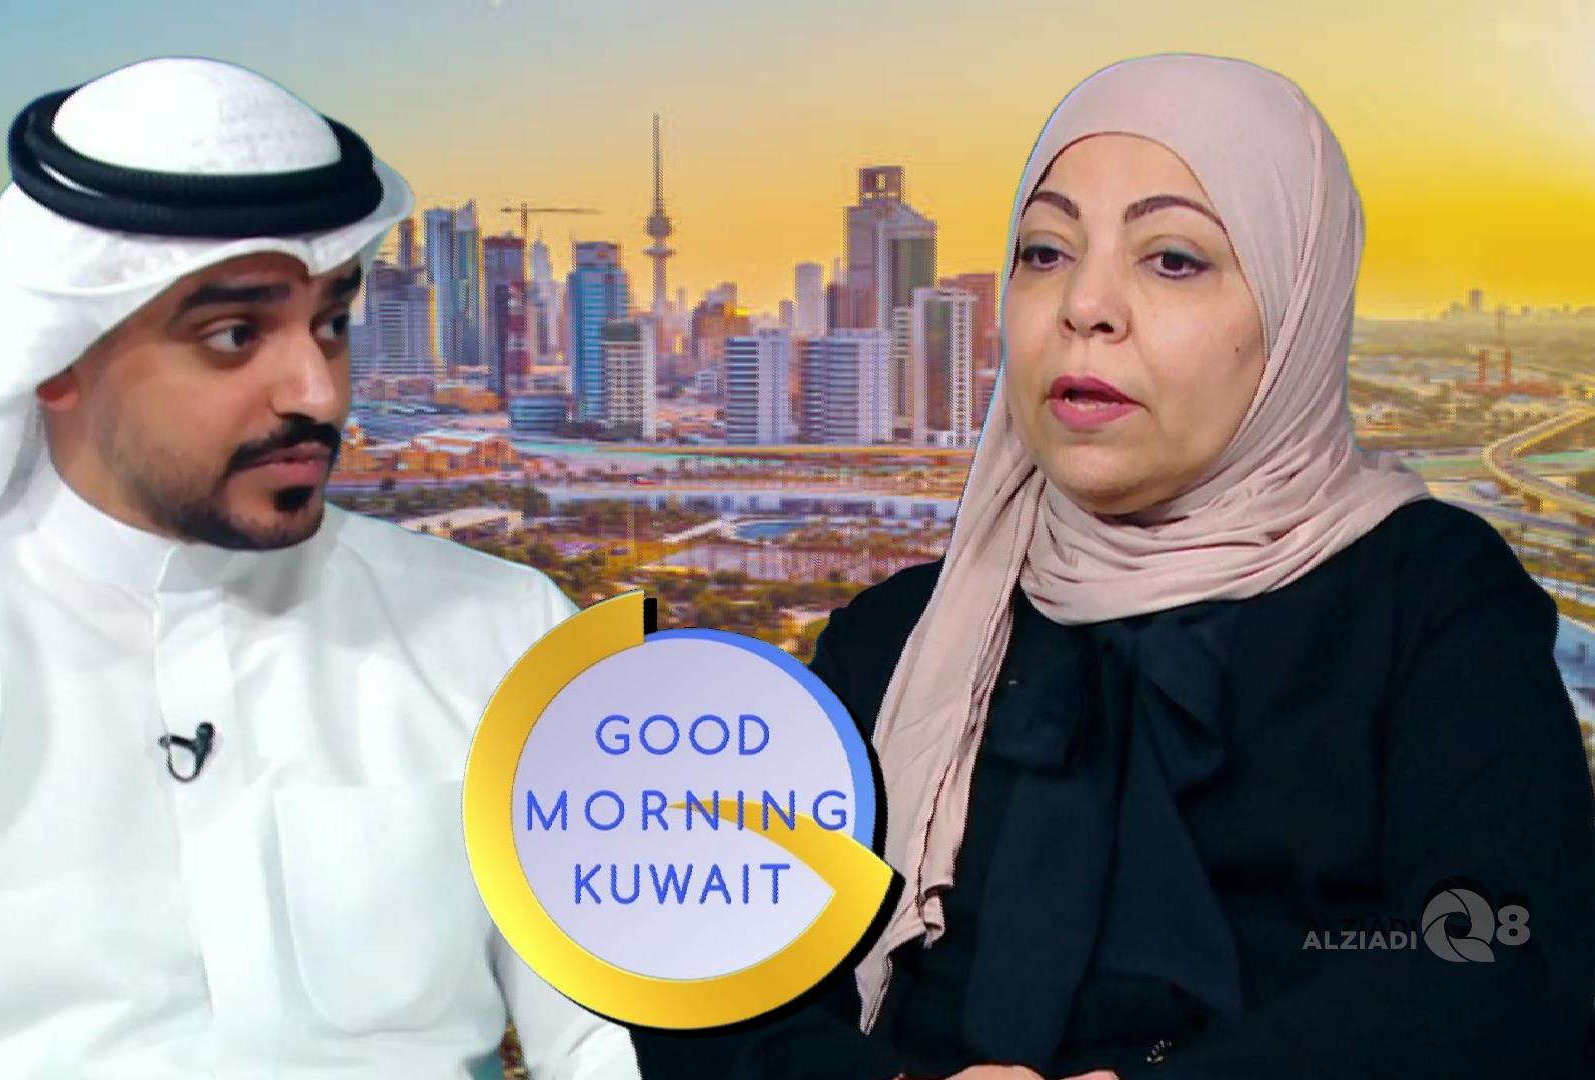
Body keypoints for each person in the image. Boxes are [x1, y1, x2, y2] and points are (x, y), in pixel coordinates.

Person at [631, 53, 1595, 1079]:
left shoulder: (1429, 600)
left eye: (1173, 259)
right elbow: (714, 978)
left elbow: (1508, 967)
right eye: (1044, 252)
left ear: (1297, 310)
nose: (1085, 305)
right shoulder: (897, 639)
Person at [0, 57, 638, 1079]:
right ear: (56, 357)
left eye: (331, 324)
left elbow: (620, 1028)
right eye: (233, 335)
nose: (317, 392)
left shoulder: (506, 632)